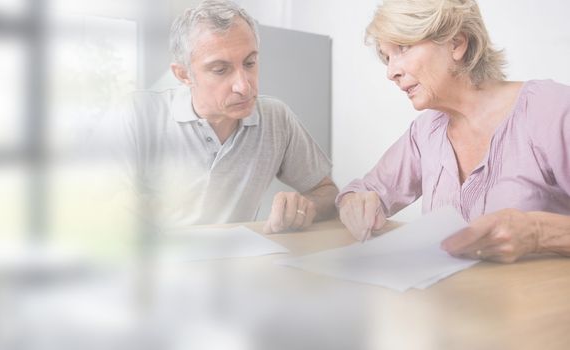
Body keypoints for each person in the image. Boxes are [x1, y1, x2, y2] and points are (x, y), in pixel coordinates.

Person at [339, 0, 570, 263]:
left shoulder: (550, 109)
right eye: (387, 57)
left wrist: (537, 233)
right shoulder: (425, 131)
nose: (391, 72)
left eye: (402, 47)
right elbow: (364, 191)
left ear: (456, 43)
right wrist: (355, 204)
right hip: (456, 301)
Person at [93, 0, 336, 233]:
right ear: (183, 75)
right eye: (220, 70)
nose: (244, 86)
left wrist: (307, 207)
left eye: (250, 63)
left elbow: (328, 191)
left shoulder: (276, 118)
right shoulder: (138, 116)